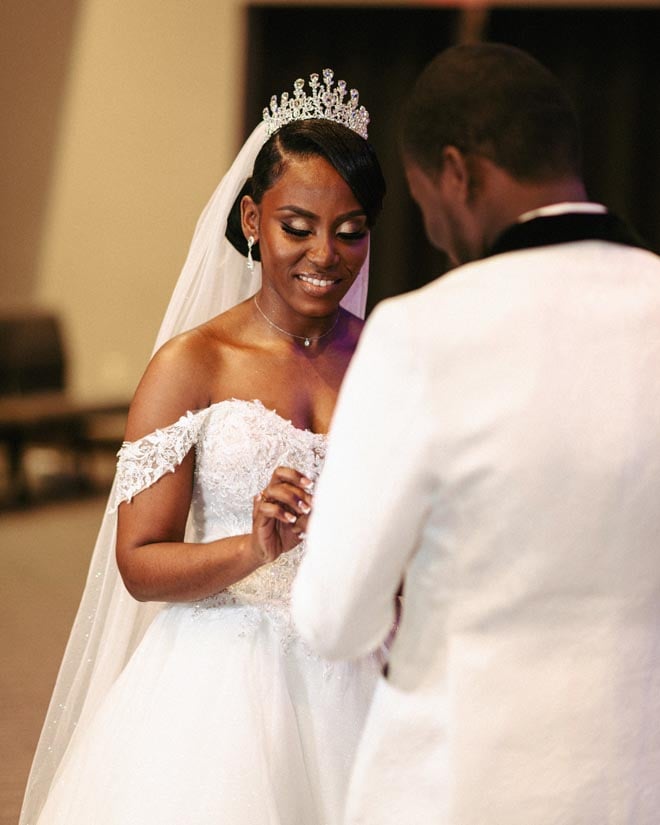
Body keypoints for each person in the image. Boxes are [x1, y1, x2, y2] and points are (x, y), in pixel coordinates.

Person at [292, 43, 660, 824]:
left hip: (461, 782)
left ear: (456, 173)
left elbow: (335, 617)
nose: (431, 228)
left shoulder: (423, 334)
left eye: (424, 197)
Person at [19, 68, 386, 825]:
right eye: (298, 226)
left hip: (361, 668)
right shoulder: (195, 361)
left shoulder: (389, 354)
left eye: (350, 230)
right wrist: (252, 547)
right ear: (252, 218)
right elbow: (140, 560)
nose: (326, 254)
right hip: (224, 688)